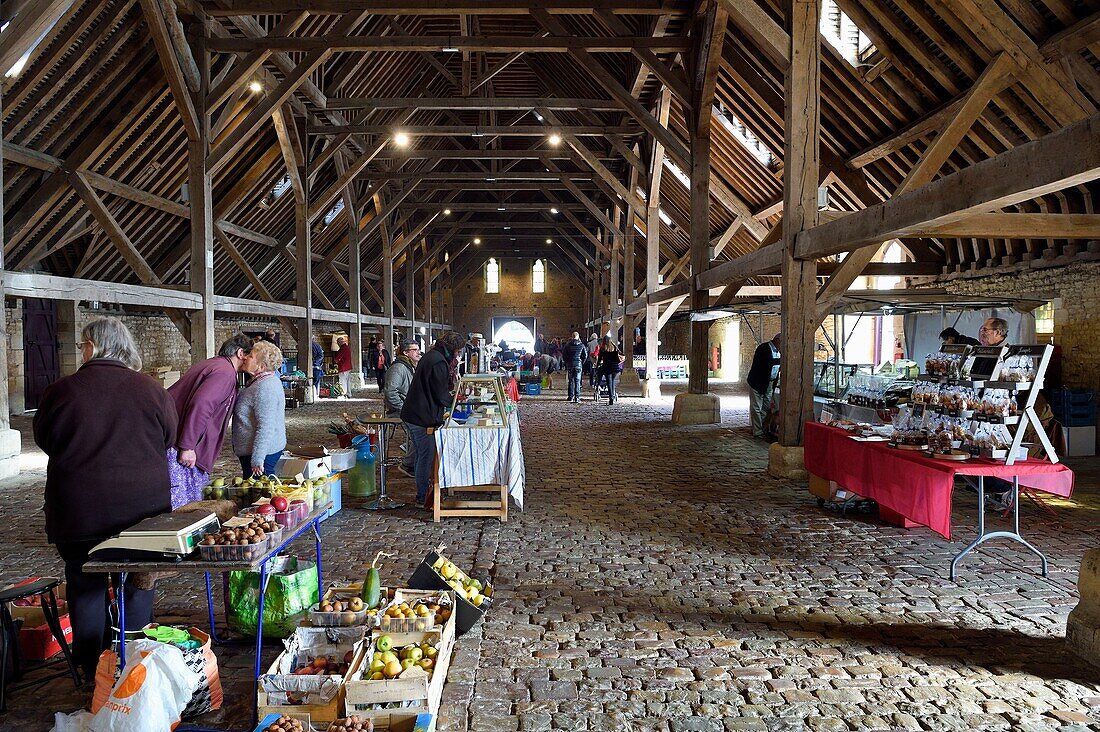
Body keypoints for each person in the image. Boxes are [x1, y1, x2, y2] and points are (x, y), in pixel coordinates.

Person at [33, 317, 177, 681]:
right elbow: (169, 438)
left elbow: (46, 441)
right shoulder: (152, 390)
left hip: (80, 512)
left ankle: (92, 668)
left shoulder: (60, 392)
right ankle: (135, 658)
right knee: (140, 580)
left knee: (85, 585)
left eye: (83, 345)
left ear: (93, 346)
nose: (81, 351)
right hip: (142, 512)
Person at [167, 334, 253, 506]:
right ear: (241, 353)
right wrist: (188, 445)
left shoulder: (216, 365)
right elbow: (201, 405)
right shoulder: (224, 372)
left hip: (176, 437)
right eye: (252, 356)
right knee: (184, 506)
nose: (255, 360)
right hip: (181, 445)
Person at [402, 331, 467, 508]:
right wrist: (455, 402)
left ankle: (423, 492)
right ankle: (423, 497)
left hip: (415, 412)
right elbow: (440, 394)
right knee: (426, 456)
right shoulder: (438, 361)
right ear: (453, 349)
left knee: (421, 455)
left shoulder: (433, 355)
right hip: (420, 416)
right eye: (458, 351)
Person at [232, 340, 287, 478]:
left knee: (261, 495)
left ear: (261, 366)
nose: (245, 357)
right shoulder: (261, 382)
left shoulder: (265, 388)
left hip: (262, 454)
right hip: (257, 451)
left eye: (250, 356)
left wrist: (257, 459)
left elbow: (266, 426)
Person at [384, 339, 422, 478]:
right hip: (398, 411)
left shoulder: (410, 366)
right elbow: (390, 393)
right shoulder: (398, 368)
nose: (418, 352)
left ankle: (415, 460)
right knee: (422, 431)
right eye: (415, 350)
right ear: (406, 352)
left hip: (410, 409)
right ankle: (408, 464)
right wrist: (404, 408)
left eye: (418, 349)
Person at [746, 334, 782, 441]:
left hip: (770, 383)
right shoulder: (764, 348)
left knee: (766, 407)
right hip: (758, 382)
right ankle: (757, 431)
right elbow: (766, 364)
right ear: (777, 340)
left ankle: (762, 427)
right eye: (782, 343)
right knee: (756, 407)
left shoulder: (779, 351)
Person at [561, 331, 589, 403]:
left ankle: (570, 396)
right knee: (577, 381)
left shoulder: (567, 345)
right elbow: (585, 355)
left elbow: (564, 355)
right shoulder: (581, 345)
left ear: (572, 336)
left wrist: (567, 362)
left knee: (570, 381)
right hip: (578, 364)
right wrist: (581, 362)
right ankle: (577, 397)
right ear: (578, 337)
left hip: (570, 364)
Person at [596, 336, 624, 404]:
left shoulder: (603, 348)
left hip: (607, 367)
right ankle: (613, 395)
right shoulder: (614, 347)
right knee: (612, 381)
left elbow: (599, 359)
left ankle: (611, 398)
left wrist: (597, 365)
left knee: (609, 383)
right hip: (615, 368)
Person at [311, 333, 325, 400]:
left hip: (314, 366)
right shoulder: (317, 346)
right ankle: (315, 395)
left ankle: (313, 395)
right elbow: (321, 356)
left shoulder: (314, 346)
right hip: (316, 367)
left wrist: (314, 361)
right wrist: (315, 362)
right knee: (316, 382)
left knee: (312, 382)